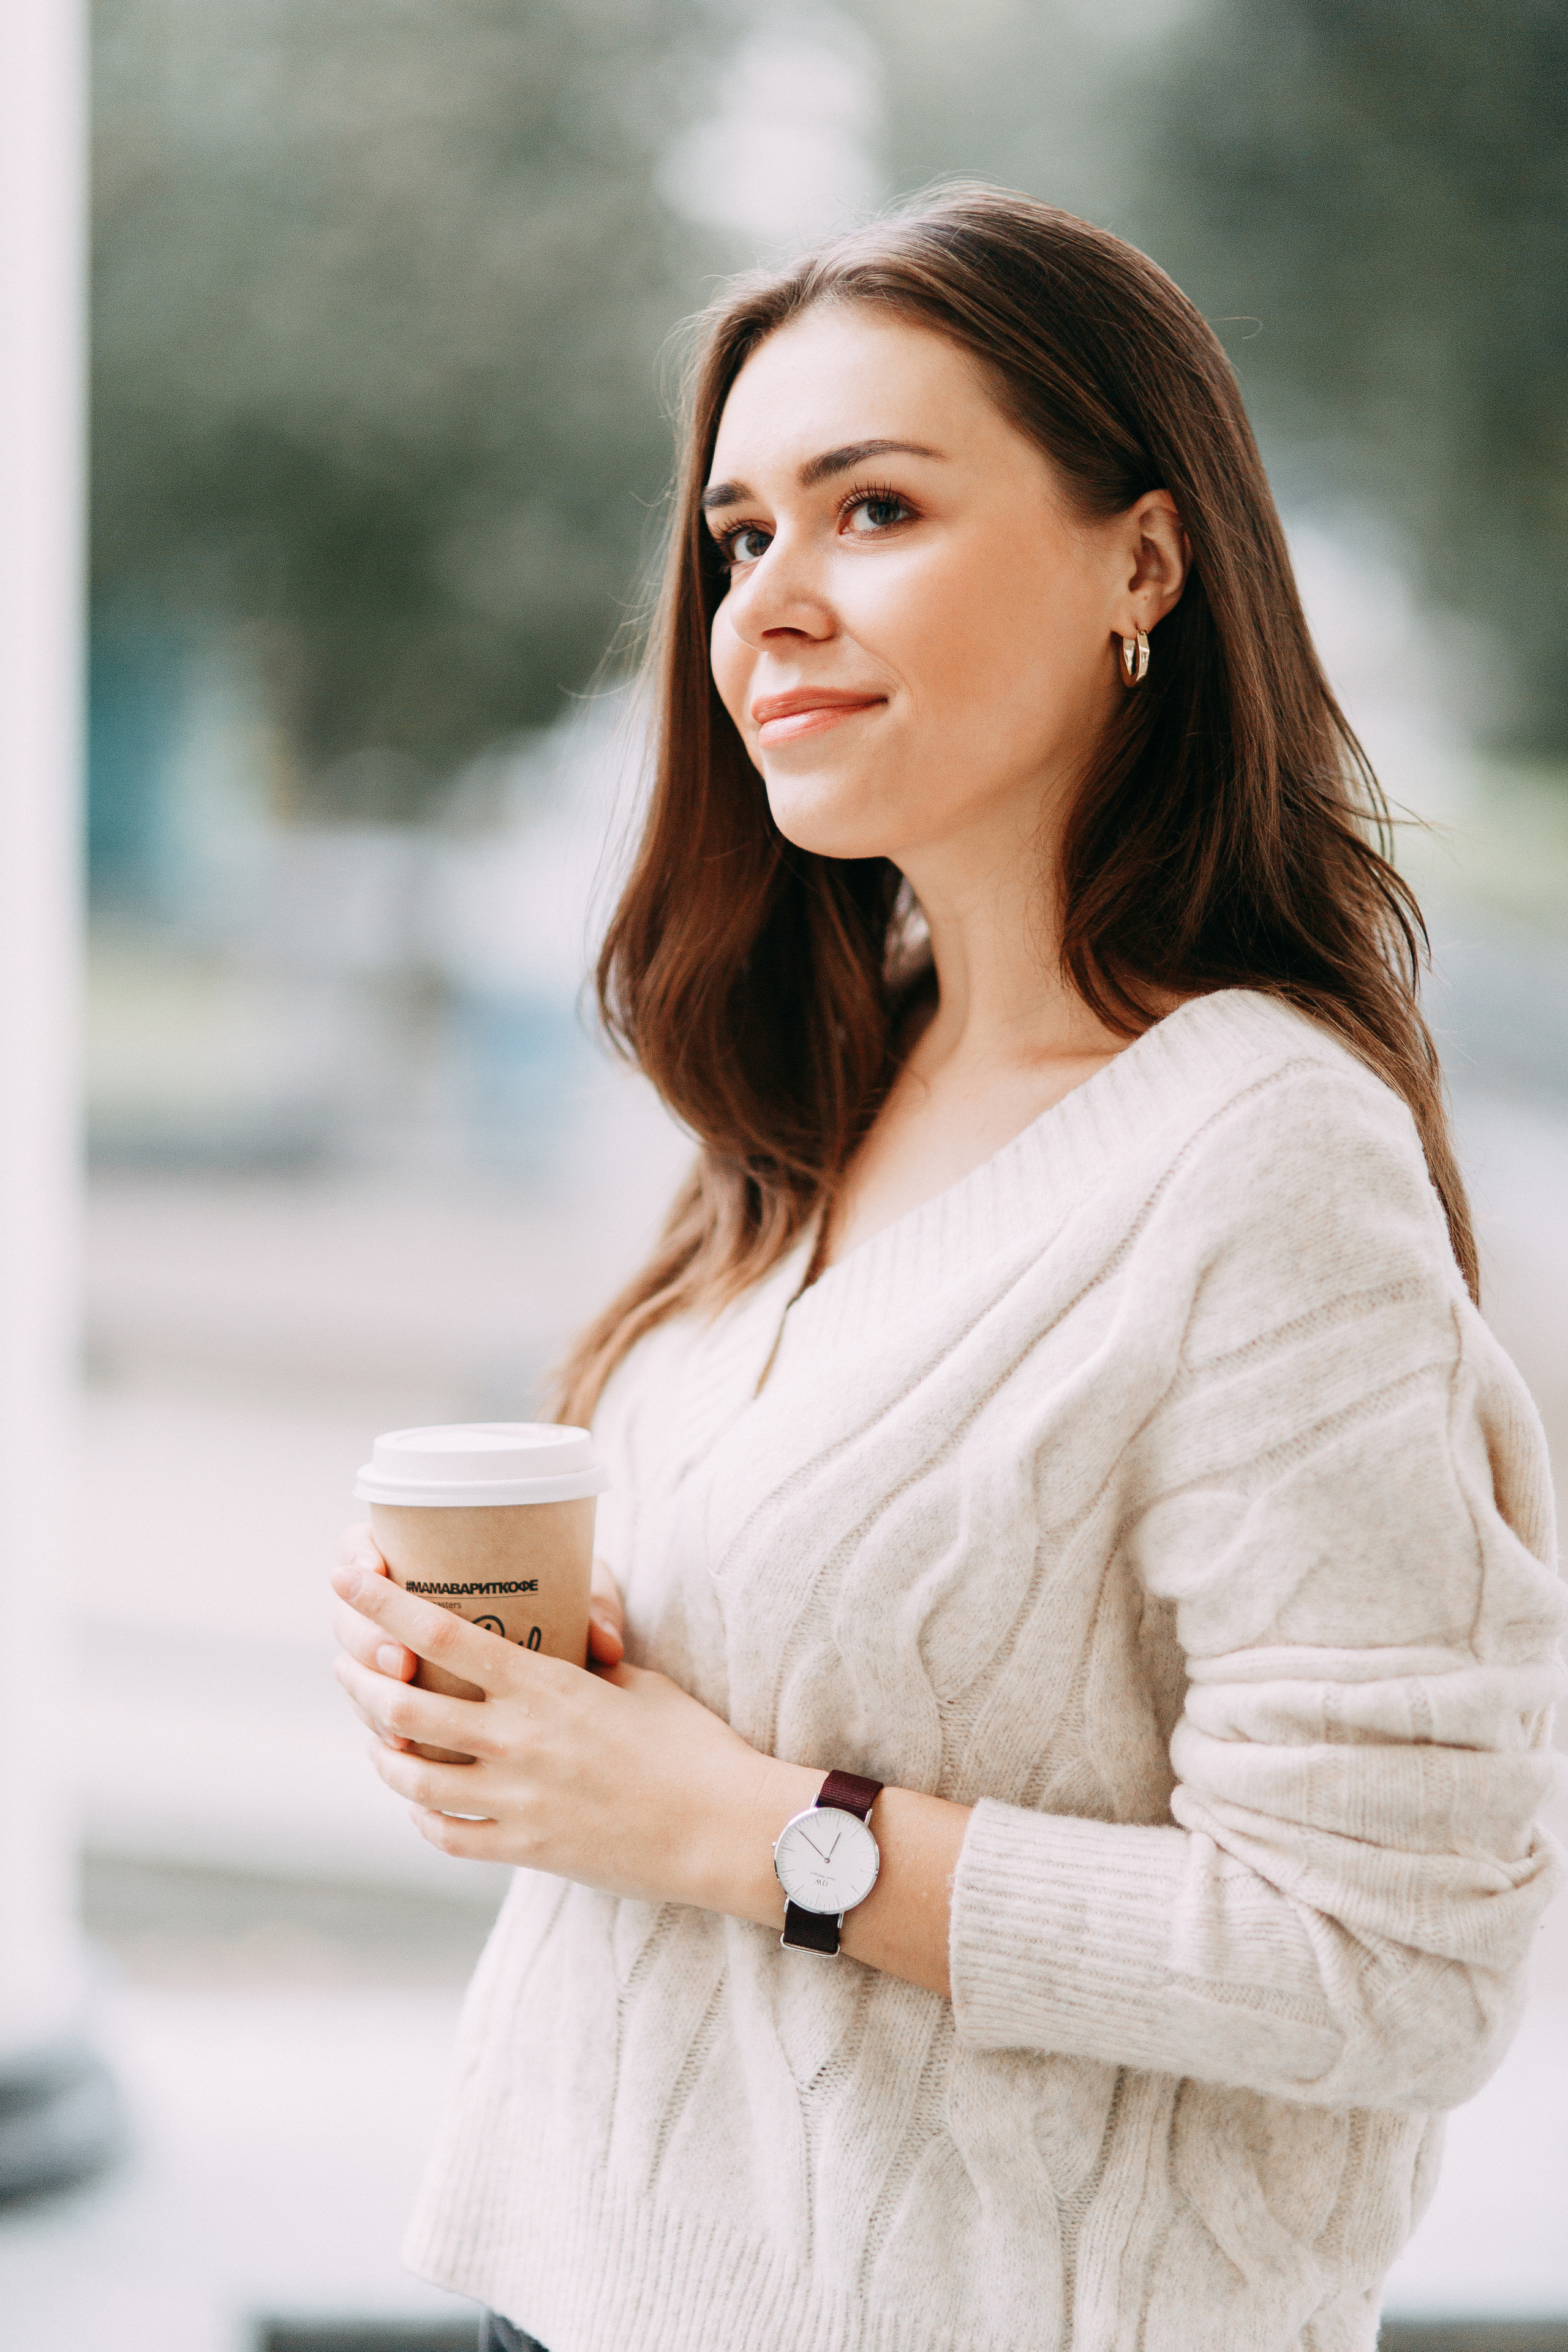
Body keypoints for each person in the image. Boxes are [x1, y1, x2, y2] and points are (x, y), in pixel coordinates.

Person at [329, 188, 1565, 2352]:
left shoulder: (1265, 1167)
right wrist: (557, 1720)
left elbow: (1392, 1965)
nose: (769, 606)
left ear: (1144, 565)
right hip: (577, 2292)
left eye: (871, 508)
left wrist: (747, 1833)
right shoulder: (812, 1091)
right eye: (735, 540)